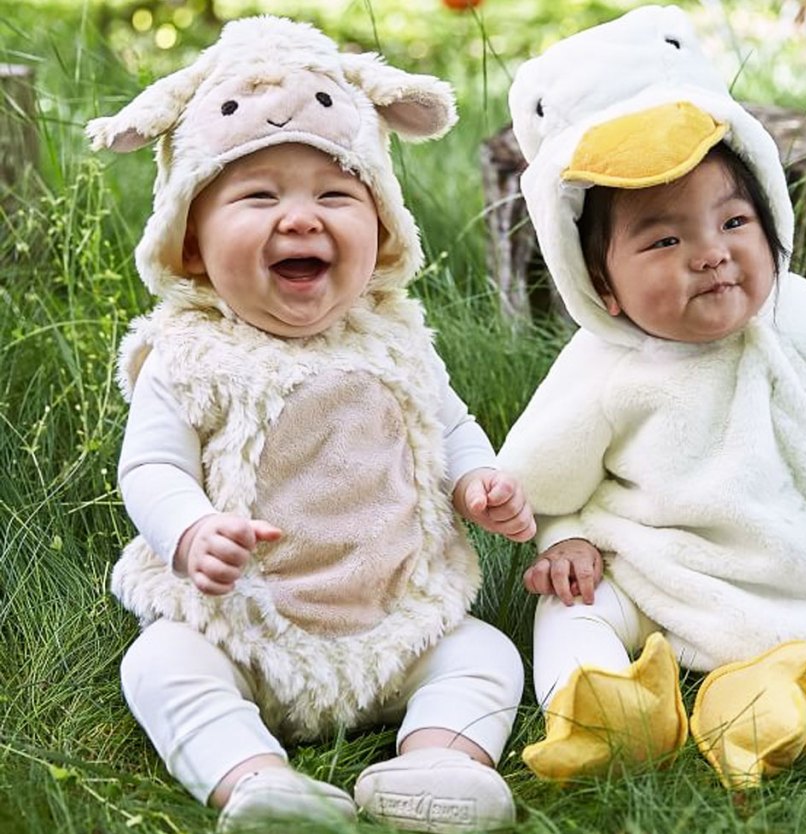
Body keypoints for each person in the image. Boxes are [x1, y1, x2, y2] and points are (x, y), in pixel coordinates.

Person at [497, 5, 806, 789]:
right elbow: (549, 478)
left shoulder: (802, 315)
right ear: (600, 282)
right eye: (664, 240)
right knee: (572, 605)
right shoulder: (603, 363)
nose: (711, 254)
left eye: (734, 219)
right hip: (660, 577)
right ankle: (603, 710)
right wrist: (561, 539)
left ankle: (774, 711)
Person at [89, 15, 535, 832]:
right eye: (258, 196)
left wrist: (479, 481)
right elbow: (149, 470)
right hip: (241, 630)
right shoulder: (187, 354)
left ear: (383, 227)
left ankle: (437, 764)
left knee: (483, 653)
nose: (302, 219)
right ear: (190, 241)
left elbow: (451, 425)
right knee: (161, 661)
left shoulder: (396, 340)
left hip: (394, 624)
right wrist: (189, 533)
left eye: (336, 194)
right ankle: (257, 783)